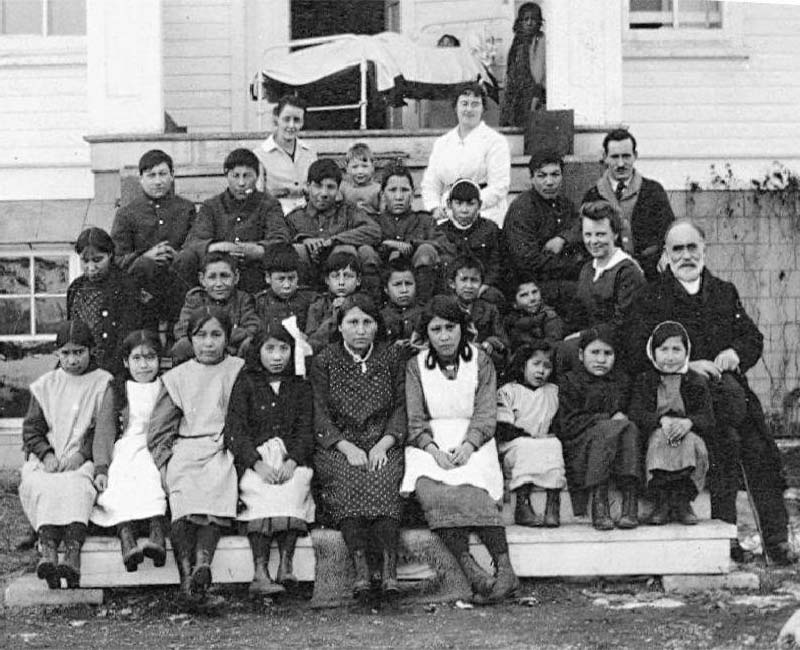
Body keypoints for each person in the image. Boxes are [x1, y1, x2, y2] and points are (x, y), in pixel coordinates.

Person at [626, 220, 797, 564]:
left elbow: (751, 337)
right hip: (685, 401)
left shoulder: (723, 291)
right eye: (678, 249)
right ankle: (727, 541)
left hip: (731, 394)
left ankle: (776, 541)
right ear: (666, 254)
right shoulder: (652, 296)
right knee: (725, 448)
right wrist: (686, 365)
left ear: (704, 250)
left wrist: (735, 353)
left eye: (692, 248)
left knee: (760, 450)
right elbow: (635, 348)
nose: (686, 256)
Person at [402, 296, 518, 604]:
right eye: (435, 329)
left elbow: (485, 412)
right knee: (432, 487)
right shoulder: (415, 367)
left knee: (475, 484)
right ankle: (473, 572)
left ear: (462, 329)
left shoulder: (480, 361)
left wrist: (469, 446)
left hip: (473, 438)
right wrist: (432, 449)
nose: (443, 336)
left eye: (450, 328)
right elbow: (414, 418)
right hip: (430, 441)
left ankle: (505, 570)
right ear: (425, 333)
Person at [310, 294, 406, 602]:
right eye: (353, 322)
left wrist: (385, 443)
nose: (360, 330)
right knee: (348, 477)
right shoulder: (325, 360)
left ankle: (390, 570)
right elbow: (319, 411)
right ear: (340, 327)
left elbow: (402, 407)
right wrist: (345, 446)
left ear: (377, 326)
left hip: (382, 439)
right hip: (340, 442)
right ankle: (362, 569)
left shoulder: (390, 357)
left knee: (383, 475)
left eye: (367, 322)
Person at [148, 308, 244, 606]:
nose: (208, 343)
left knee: (217, 488)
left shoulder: (238, 369)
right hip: (186, 447)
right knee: (184, 498)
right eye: (201, 336)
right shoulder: (177, 377)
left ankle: (203, 563)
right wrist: (164, 464)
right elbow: (160, 429)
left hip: (223, 446)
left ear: (227, 337)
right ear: (190, 339)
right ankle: (188, 580)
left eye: (216, 335)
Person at [19, 320, 114, 589]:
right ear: (57, 354)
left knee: (76, 486)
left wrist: (82, 456)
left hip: (80, 457)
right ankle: (48, 551)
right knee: (42, 484)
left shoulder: (102, 382)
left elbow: (102, 430)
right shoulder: (45, 385)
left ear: (90, 351)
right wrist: (46, 455)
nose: (72, 360)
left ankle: (72, 555)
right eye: (66, 353)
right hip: (50, 455)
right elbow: (32, 429)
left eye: (79, 352)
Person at [224, 325, 315, 595]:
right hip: (257, 460)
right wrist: (257, 463)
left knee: (294, 487)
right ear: (258, 351)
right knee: (259, 491)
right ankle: (260, 572)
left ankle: (285, 565)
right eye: (270, 349)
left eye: (284, 349)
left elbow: (307, 429)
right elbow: (235, 431)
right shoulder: (246, 382)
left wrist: (293, 461)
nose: (277, 356)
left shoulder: (300, 385)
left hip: (290, 459)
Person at [91, 330, 169, 571]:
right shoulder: (118, 389)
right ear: (126, 361)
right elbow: (104, 429)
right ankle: (127, 540)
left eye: (150, 358)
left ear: (159, 360)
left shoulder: (166, 387)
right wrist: (102, 467)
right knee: (121, 476)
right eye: (137, 359)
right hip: (126, 445)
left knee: (151, 474)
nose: (144, 365)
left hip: (157, 445)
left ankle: (157, 536)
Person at [557, 326, 641, 530]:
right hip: (582, 445)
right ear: (580, 354)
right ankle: (599, 502)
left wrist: (617, 422)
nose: (601, 360)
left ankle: (630, 502)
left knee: (629, 428)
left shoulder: (621, 382)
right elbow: (567, 424)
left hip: (618, 446)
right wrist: (607, 419)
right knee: (608, 429)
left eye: (607, 353)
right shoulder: (570, 381)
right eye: (594, 352)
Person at [628, 321, 712, 526]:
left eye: (676, 349)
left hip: (687, 432)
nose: (670, 356)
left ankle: (683, 503)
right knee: (659, 442)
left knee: (691, 444)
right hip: (658, 431)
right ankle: (662, 503)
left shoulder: (695, 381)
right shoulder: (645, 379)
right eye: (663, 349)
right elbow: (637, 412)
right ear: (653, 352)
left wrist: (689, 423)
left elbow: (708, 417)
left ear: (686, 352)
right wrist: (660, 420)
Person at [110, 149, 198, 333]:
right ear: (141, 179)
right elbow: (116, 258)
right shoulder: (127, 214)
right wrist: (145, 257)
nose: (158, 181)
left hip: (178, 289)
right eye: (151, 175)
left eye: (163, 174)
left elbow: (195, 245)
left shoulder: (186, 209)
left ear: (172, 176)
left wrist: (178, 255)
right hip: (142, 292)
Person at [183, 148, 290, 295]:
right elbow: (194, 241)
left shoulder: (269, 205)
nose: (241, 183)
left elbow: (281, 239)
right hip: (218, 273)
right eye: (235, 176)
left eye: (247, 176)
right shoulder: (211, 206)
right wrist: (217, 247)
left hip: (254, 271)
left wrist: (258, 250)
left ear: (257, 177)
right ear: (227, 176)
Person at [502, 150, 586, 317]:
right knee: (581, 292)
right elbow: (526, 261)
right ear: (531, 178)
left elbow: (580, 227)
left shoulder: (565, 204)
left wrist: (563, 239)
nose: (549, 182)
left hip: (559, 275)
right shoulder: (522, 209)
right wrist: (570, 263)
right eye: (542, 176)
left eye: (555, 175)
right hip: (531, 283)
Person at [582, 129, 674, 280]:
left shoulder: (653, 191)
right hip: (609, 275)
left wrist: (666, 254)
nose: (620, 164)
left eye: (626, 156)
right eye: (614, 157)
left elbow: (670, 230)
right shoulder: (593, 195)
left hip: (651, 272)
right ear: (605, 157)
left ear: (635, 156)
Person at [285, 158, 382, 294]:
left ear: (338, 189)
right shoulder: (295, 217)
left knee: (358, 250)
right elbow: (280, 242)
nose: (324, 193)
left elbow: (374, 231)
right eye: (318, 186)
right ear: (308, 186)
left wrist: (334, 241)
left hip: (344, 285)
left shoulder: (348, 212)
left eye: (330, 187)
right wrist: (303, 239)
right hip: (307, 285)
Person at [421, 82, 511, 227]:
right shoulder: (442, 143)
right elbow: (430, 183)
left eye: (475, 104)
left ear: (483, 108)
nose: (469, 109)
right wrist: (435, 207)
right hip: (447, 213)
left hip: (485, 213)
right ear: (456, 107)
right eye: (464, 103)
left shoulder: (495, 142)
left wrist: (467, 207)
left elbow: (499, 186)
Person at [496, 342, 566, 527]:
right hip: (515, 444)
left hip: (544, 443)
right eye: (536, 364)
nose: (541, 371)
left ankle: (553, 502)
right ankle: (523, 504)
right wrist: (526, 435)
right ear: (523, 365)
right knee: (526, 446)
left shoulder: (553, 392)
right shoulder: (508, 391)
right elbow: (504, 426)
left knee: (555, 444)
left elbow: (558, 423)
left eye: (547, 366)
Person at [566, 201, 645, 345]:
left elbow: (624, 325)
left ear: (615, 234)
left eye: (601, 234)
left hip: (618, 347)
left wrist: (583, 336)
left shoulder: (628, 272)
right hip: (590, 345)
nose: (593, 241)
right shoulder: (587, 269)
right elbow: (577, 314)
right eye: (588, 234)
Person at [67, 227, 142, 376]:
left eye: (97, 260)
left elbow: (128, 336)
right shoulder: (75, 288)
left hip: (114, 366)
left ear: (110, 254)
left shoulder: (125, 286)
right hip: (79, 364)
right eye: (85, 261)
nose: (91, 267)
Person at [171, 252, 260, 364]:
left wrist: (221, 341)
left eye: (224, 276)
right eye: (212, 277)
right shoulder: (196, 299)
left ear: (236, 277)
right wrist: (207, 339)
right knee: (182, 346)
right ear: (202, 279)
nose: (219, 284)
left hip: (232, 355)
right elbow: (182, 329)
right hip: (201, 352)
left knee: (249, 345)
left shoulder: (243, 299)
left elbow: (252, 328)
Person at [376, 163, 446, 302]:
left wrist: (412, 245)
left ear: (413, 194)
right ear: (383, 195)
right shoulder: (374, 222)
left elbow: (443, 246)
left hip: (419, 292)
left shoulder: (425, 221)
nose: (399, 196)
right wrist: (388, 245)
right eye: (392, 190)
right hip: (383, 292)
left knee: (426, 250)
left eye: (404, 190)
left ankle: (422, 306)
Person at [436, 178, 506, 306]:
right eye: (458, 203)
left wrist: (485, 285)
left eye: (470, 204)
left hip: (481, 288)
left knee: (494, 298)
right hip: (452, 290)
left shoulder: (490, 229)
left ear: (479, 205)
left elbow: (497, 263)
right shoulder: (441, 232)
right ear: (449, 204)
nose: (464, 210)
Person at [255, 95, 317, 214]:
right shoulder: (260, 154)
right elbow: (258, 197)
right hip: (276, 216)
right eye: (286, 119)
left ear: (303, 122)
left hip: (308, 214)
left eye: (297, 120)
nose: (291, 126)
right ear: (276, 118)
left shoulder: (309, 152)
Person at [448, 256, 509, 368]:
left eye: (474, 280)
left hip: (481, 365)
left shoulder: (489, 310)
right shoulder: (445, 308)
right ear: (452, 283)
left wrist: (490, 342)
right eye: (464, 280)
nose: (469, 286)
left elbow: (503, 342)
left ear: (481, 284)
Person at [305, 252, 364, 352]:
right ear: (327, 280)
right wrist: (334, 314)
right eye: (335, 276)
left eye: (348, 276)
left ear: (358, 280)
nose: (341, 282)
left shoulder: (365, 304)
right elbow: (312, 342)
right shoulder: (318, 305)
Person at [500, 2, 546, 127]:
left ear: (539, 22)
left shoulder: (539, 39)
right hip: (514, 90)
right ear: (520, 21)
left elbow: (539, 68)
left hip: (532, 89)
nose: (529, 23)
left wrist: (536, 93)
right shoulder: (517, 41)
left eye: (533, 19)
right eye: (526, 19)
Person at [254, 243, 317, 334]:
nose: (287, 285)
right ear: (268, 277)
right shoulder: (259, 303)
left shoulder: (311, 299)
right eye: (281, 279)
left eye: (291, 278)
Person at [503, 274, 564, 349]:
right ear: (514, 304)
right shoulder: (510, 318)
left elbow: (553, 344)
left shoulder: (548, 316)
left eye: (535, 292)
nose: (532, 298)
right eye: (524, 295)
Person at [380, 256, 424, 355]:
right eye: (397, 284)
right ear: (386, 289)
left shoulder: (425, 314)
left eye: (408, 284)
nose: (404, 290)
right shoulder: (380, 317)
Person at [339, 142, 381, 216]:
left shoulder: (378, 189)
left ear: (373, 167)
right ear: (347, 169)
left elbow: (384, 214)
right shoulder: (343, 188)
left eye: (365, 166)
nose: (360, 171)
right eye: (355, 167)